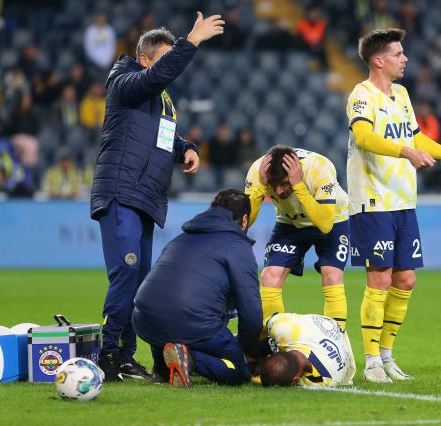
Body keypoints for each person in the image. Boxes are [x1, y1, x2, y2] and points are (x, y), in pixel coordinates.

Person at [90, 12, 225, 381]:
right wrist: (191, 40)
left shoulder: (162, 101)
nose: (167, 70)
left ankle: (126, 357)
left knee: (139, 282)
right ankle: (108, 354)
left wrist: (185, 149)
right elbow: (156, 78)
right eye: (162, 60)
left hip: (146, 197)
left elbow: (162, 136)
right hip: (120, 190)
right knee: (127, 273)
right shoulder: (123, 81)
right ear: (145, 59)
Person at [346, 29, 441, 383]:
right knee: (379, 279)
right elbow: (364, 136)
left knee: (405, 280)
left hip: (404, 202)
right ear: (379, 60)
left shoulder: (402, 95)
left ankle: (388, 356)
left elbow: (414, 135)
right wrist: (405, 151)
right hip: (373, 201)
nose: (405, 59)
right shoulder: (361, 96)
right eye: (398, 53)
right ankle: (371, 360)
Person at [132, 189, 262, 387]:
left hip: (144, 320)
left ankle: (162, 365)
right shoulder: (237, 246)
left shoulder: (181, 237)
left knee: (173, 316)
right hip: (190, 322)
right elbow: (251, 313)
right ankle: (190, 358)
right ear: (245, 220)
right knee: (241, 370)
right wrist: (248, 349)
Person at [245, 146, 349, 330]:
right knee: (269, 277)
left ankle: (337, 344)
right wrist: (261, 186)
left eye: (284, 183)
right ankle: (273, 344)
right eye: (273, 184)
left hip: (334, 218)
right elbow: (245, 222)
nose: (278, 190)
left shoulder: (319, 167)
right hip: (289, 222)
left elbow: (325, 224)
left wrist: (298, 185)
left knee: (332, 275)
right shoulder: (258, 171)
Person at [259, 313, 355, 387]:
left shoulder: (323, 380)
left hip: (336, 341)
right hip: (325, 329)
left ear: (296, 380)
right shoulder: (283, 329)